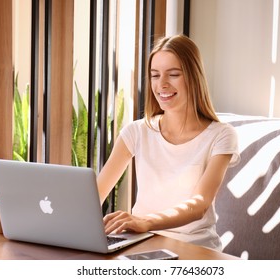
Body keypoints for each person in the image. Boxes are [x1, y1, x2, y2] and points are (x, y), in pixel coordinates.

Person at [97, 34, 240, 251]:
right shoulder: (137, 131)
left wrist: (145, 221)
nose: (162, 84)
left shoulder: (221, 135)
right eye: (155, 75)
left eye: (173, 74)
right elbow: (95, 195)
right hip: (141, 244)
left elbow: (199, 205)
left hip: (195, 248)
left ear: (193, 77)